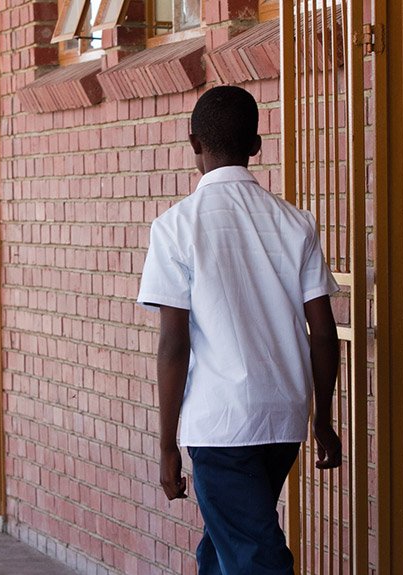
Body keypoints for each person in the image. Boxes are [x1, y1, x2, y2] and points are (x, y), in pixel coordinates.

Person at [136, 86, 342, 575]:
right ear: (256, 145)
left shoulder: (175, 227)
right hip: (282, 420)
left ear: (193, 144)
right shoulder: (297, 224)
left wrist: (167, 446)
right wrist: (323, 419)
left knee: (254, 554)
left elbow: (173, 344)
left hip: (221, 426)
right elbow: (324, 331)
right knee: (226, 540)